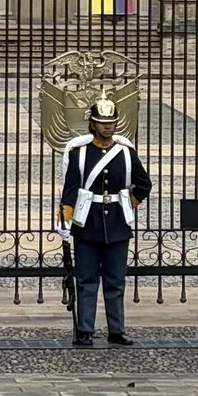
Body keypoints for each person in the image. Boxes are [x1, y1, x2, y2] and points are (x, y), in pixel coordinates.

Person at [58, 96, 150, 347]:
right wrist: (65, 220)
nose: (107, 126)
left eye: (111, 122)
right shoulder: (79, 154)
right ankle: (85, 329)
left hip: (117, 224)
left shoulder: (126, 153)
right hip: (87, 222)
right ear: (92, 124)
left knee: (115, 281)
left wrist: (127, 204)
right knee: (86, 279)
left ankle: (116, 330)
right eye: (102, 122)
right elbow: (70, 190)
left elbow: (143, 184)